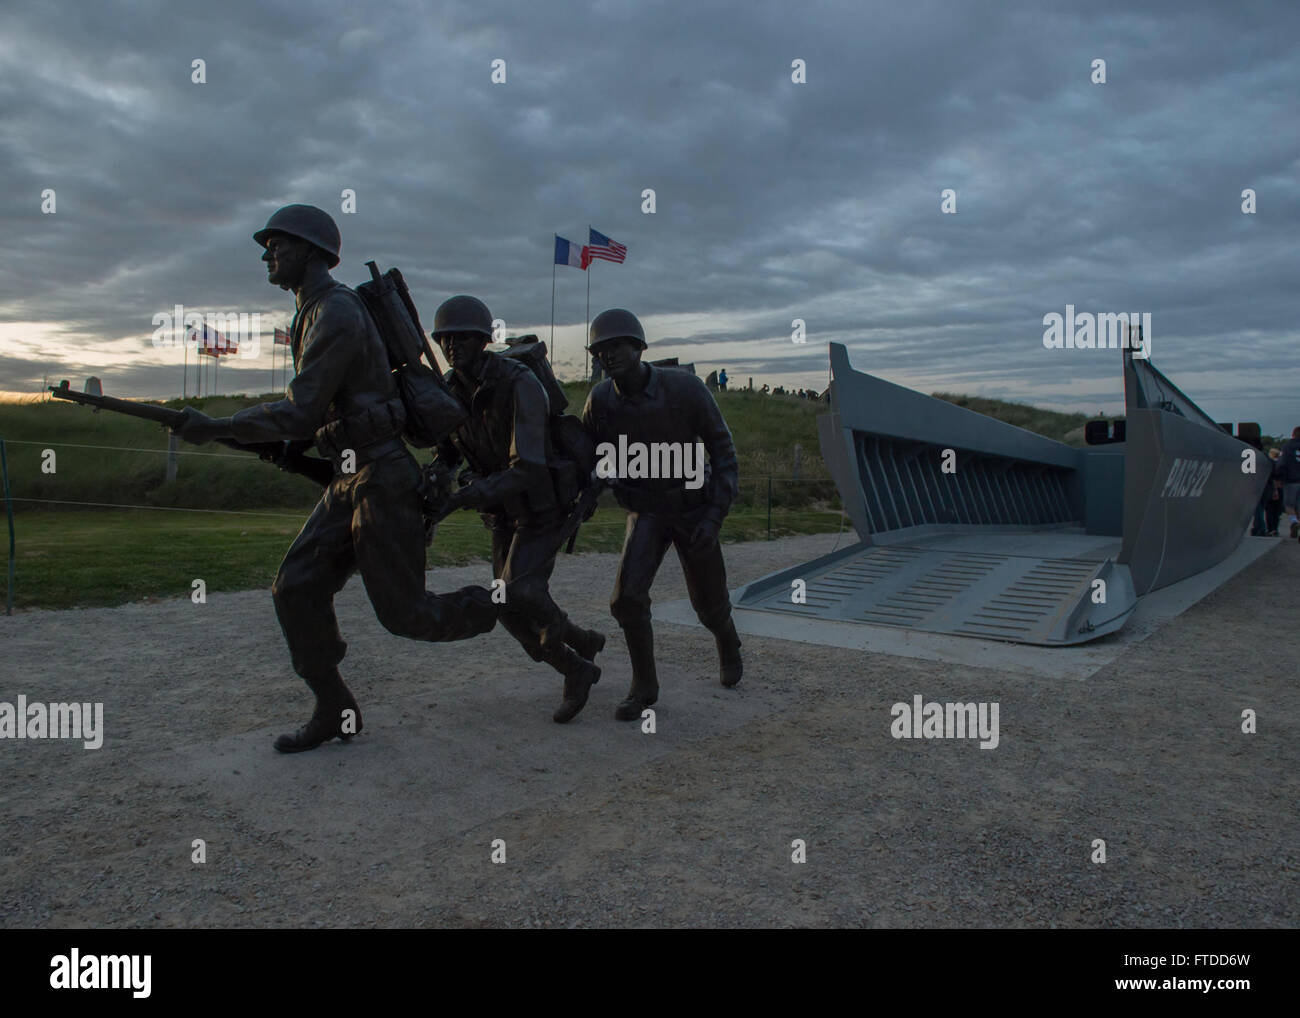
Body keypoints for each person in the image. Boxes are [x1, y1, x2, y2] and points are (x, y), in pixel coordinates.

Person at [174, 204, 498, 753]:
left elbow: (300, 410)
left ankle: (504, 602)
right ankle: (334, 706)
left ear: (310, 250)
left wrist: (219, 427)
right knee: (295, 589)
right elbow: (318, 417)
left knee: (408, 616)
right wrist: (241, 436)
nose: (266, 254)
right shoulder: (309, 313)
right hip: (348, 477)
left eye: (277, 244)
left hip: (382, 478)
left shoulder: (337, 312)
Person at [429, 296, 605, 723]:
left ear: (484, 339)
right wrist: (438, 475)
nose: (453, 345)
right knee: (504, 605)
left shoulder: (519, 382)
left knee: (523, 592)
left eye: (464, 337)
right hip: (500, 512)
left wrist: (461, 499)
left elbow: (526, 467)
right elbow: (449, 452)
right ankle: (579, 650)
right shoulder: (450, 390)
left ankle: (570, 652)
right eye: (445, 338)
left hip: (542, 505)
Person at [582, 308, 743, 720]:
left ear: (639, 347)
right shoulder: (600, 400)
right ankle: (644, 686)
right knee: (626, 601)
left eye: (616, 346)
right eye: (600, 350)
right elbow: (594, 459)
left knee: (708, 603)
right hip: (646, 511)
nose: (608, 356)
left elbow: (724, 454)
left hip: (693, 508)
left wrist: (713, 518)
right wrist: (589, 492)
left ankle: (726, 639)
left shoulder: (686, 389)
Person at [1275, 427, 1300, 539]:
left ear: (1293, 434)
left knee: (1289, 505)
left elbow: (1281, 463)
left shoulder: (1287, 446)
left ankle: (1294, 522)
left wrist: (1279, 478)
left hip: (1291, 480)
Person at [1265, 448, 1283, 536]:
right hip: (1281, 488)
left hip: (1271, 488)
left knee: (1269, 510)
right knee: (1277, 511)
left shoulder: (1270, 464)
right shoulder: (1281, 464)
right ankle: (1275, 529)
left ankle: (1270, 529)